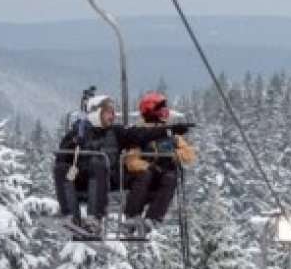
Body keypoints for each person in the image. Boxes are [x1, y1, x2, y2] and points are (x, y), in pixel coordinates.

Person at [53, 94, 177, 236]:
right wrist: (73, 142)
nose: (112, 116)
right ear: (96, 113)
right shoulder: (78, 133)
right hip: (83, 178)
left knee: (98, 162)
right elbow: (62, 157)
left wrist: (164, 131)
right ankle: (71, 216)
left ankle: (94, 219)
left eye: (113, 112)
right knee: (61, 169)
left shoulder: (116, 132)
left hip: (109, 178)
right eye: (108, 112)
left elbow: (139, 134)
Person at [123, 91, 195, 229]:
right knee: (145, 175)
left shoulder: (170, 134)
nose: (164, 113)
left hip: (162, 177)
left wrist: (175, 154)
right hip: (141, 176)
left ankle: (153, 217)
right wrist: (148, 166)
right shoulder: (139, 133)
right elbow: (131, 160)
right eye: (161, 109)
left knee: (170, 177)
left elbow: (189, 154)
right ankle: (132, 215)